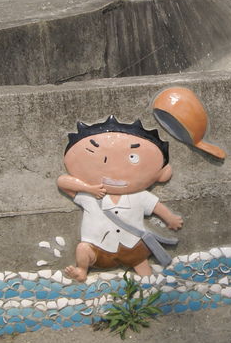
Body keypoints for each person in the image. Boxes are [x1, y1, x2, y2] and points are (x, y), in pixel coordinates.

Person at [58, 117, 183, 281]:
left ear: (162, 174)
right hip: (98, 248)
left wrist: (170, 218)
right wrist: (89, 188)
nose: (114, 169)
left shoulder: (139, 196)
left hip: (133, 245)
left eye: (133, 158)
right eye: (102, 159)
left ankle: (147, 279)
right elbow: (63, 182)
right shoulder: (90, 196)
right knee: (82, 249)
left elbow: (155, 206)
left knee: (140, 261)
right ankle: (82, 270)